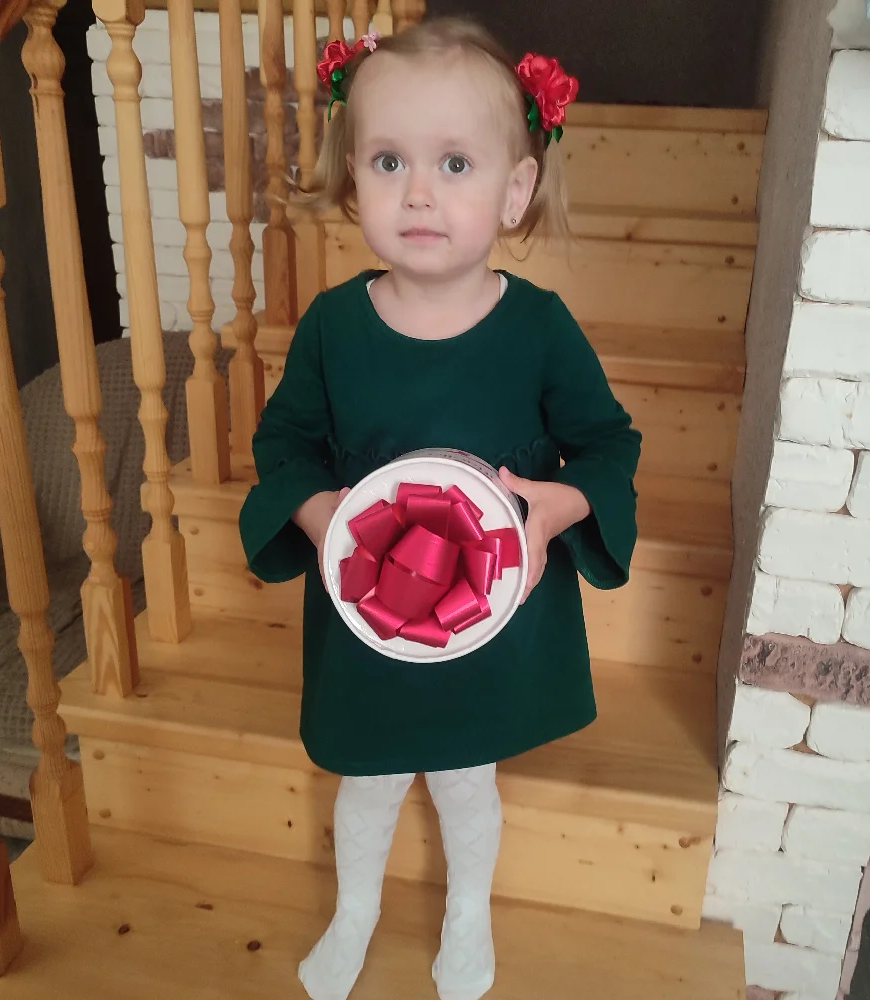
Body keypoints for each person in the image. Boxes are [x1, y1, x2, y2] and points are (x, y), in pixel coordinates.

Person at [239, 17, 641, 1000]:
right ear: (353, 178)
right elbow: (283, 447)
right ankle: (356, 911)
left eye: (454, 163)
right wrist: (319, 515)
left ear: (515, 189)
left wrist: (554, 507)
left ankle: (467, 914)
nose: (418, 192)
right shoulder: (332, 328)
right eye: (389, 162)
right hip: (367, 621)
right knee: (369, 779)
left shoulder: (539, 329)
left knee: (466, 779)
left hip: (489, 622)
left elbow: (607, 446)